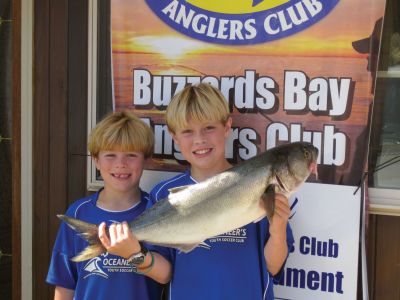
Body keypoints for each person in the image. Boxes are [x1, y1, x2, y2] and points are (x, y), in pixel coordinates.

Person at [99, 83, 294, 299]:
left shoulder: (259, 184)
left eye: (208, 128)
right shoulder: (165, 194)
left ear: (227, 127)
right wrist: (134, 254)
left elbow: (273, 267)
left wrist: (278, 229)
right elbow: (165, 274)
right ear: (174, 136)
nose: (199, 139)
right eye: (188, 131)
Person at [46, 110, 162, 300]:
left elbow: (165, 275)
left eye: (131, 155)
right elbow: (65, 283)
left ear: (146, 160)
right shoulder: (78, 213)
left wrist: (134, 253)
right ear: (96, 161)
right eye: (110, 155)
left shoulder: (155, 210)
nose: (121, 164)